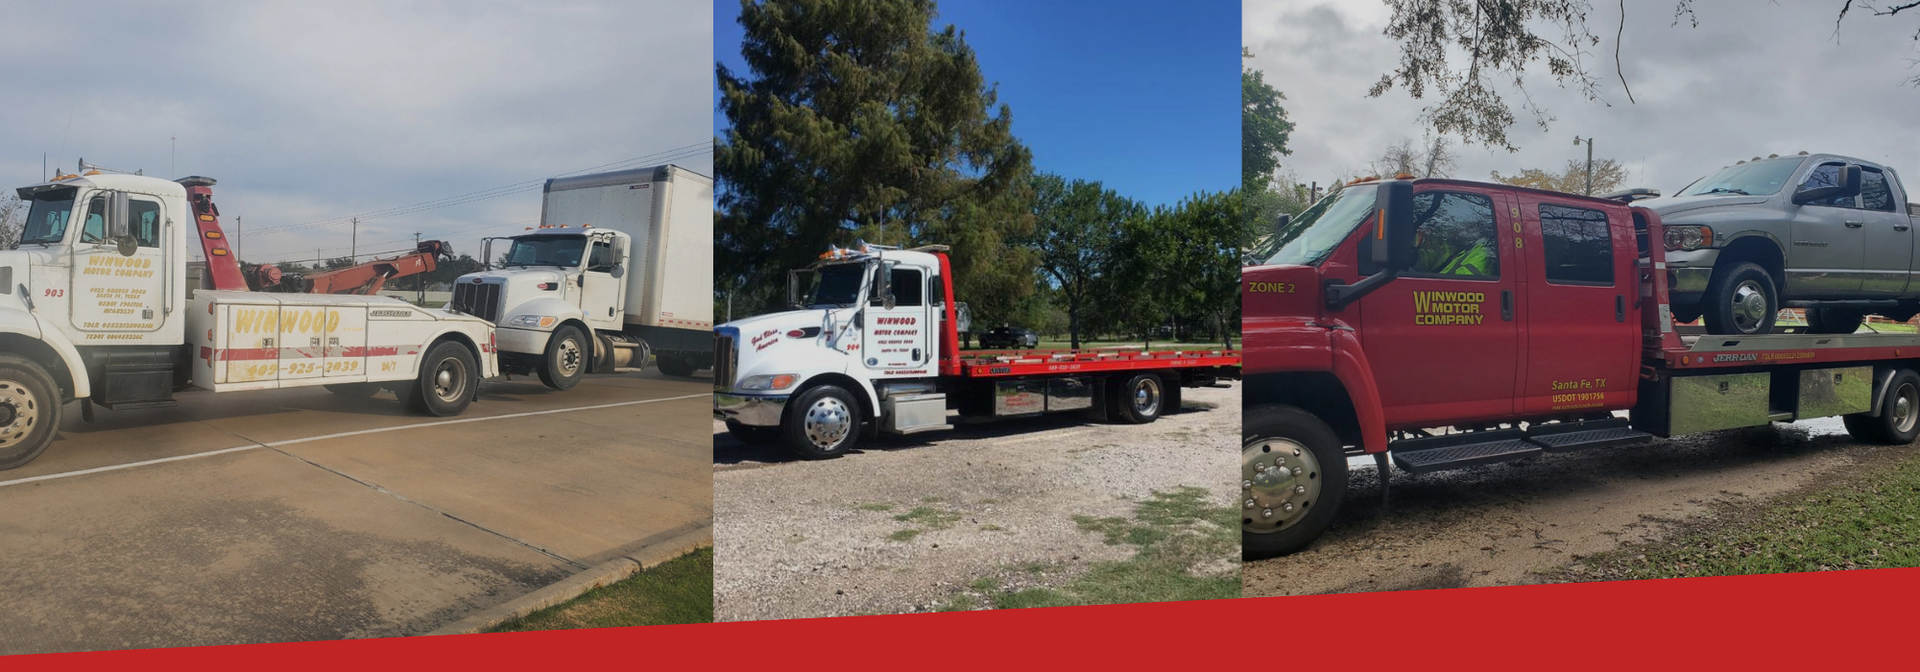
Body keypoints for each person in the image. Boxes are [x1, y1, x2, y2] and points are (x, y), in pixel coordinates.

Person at [1413, 227, 1492, 276]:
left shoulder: (1481, 253)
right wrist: (1414, 256)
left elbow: (1466, 283)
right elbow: (1435, 259)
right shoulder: (1453, 248)